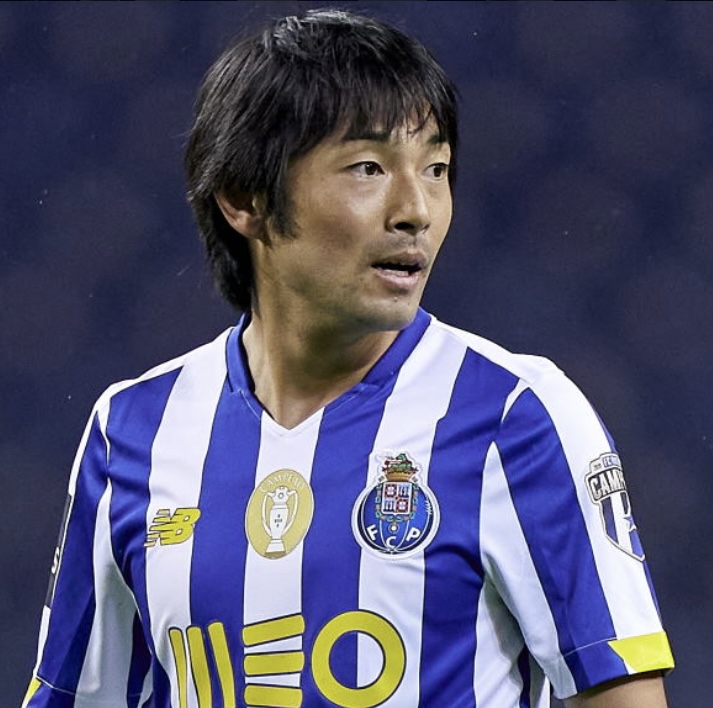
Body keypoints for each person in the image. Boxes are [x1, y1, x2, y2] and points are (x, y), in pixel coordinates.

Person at [23, 7, 674, 708]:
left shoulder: (515, 416)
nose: (416, 209)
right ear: (243, 197)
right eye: (368, 167)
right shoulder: (132, 431)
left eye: (435, 169)